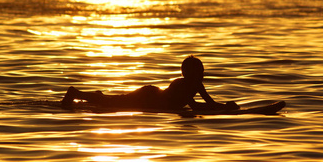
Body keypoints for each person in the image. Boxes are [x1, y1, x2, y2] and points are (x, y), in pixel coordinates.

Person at [61, 55, 239, 111]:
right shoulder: (183, 85)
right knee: (112, 103)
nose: (203, 74)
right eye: (199, 71)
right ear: (189, 73)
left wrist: (225, 106)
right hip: (147, 97)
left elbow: (209, 103)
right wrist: (225, 109)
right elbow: (195, 107)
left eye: (202, 70)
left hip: (153, 97)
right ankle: (75, 93)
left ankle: (96, 96)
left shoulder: (198, 85)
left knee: (111, 100)